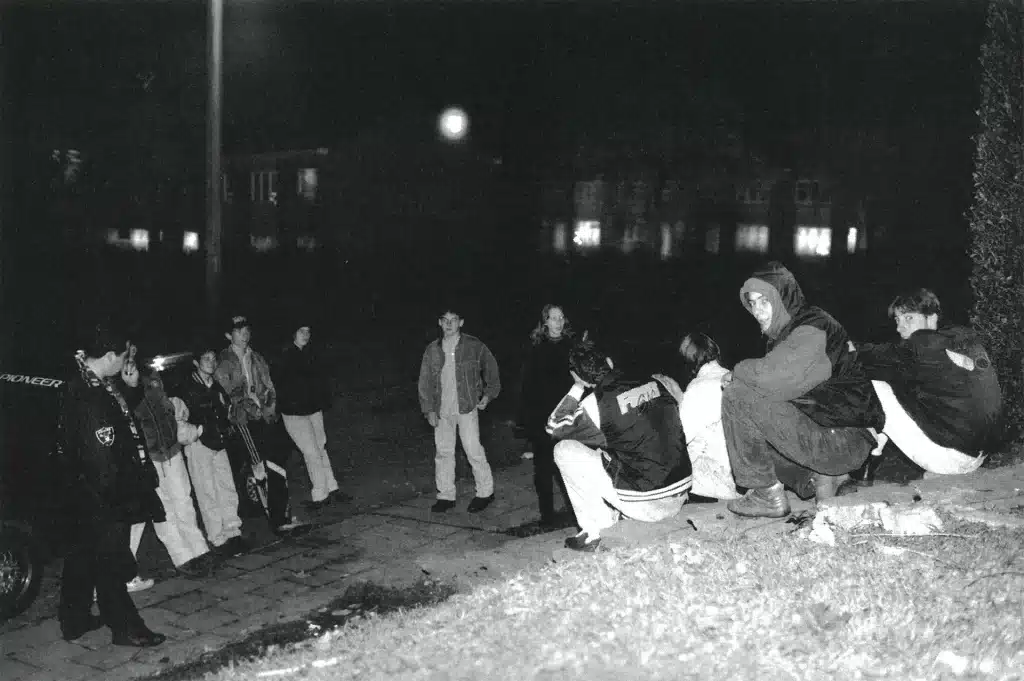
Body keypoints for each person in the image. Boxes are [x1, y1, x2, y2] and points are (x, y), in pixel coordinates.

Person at [723, 261, 884, 519]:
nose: (758, 311)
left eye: (765, 301)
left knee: (737, 396)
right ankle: (819, 478)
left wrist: (738, 371)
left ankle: (766, 494)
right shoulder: (788, 333)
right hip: (836, 432)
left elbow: (775, 379)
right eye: (752, 303)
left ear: (783, 298)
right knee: (750, 416)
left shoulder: (812, 329)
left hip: (845, 440)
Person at [57, 325, 166, 647]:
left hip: (81, 489)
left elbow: (116, 420)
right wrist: (116, 497)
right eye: (122, 356)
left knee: (82, 555)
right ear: (108, 356)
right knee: (110, 561)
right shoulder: (90, 394)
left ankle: (74, 619)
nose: (125, 362)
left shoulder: (87, 382)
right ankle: (126, 627)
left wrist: (130, 390)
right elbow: (101, 448)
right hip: (102, 493)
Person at [546, 339, 692, 552]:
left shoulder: (594, 405)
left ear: (579, 376)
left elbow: (554, 426)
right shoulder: (654, 381)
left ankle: (597, 531)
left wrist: (577, 386)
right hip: (680, 495)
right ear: (609, 362)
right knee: (627, 440)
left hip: (648, 506)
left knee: (564, 450)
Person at [854, 288, 1002, 475]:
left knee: (871, 386)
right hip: (977, 456)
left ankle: (862, 465)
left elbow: (871, 354)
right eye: (897, 320)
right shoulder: (960, 338)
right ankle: (870, 462)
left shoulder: (922, 344)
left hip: (950, 459)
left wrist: (842, 345)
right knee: (892, 389)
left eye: (909, 318)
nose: (900, 327)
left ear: (931, 318)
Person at [216, 315, 307, 537]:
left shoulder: (256, 357)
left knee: (277, 461)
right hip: (243, 421)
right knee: (258, 466)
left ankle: (283, 516)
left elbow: (269, 385)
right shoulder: (223, 361)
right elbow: (229, 393)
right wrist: (251, 407)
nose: (244, 334)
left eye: (246, 330)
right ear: (228, 335)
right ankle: (276, 520)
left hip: (263, 417)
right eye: (238, 331)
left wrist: (269, 407)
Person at [417, 307, 501, 513]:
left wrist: (488, 395)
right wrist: (429, 409)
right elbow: (424, 382)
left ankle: (485, 492)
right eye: (444, 320)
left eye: (453, 319)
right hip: (442, 410)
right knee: (443, 452)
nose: (449, 324)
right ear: (439, 323)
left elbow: (491, 368)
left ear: (461, 322)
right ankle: (445, 495)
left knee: (473, 449)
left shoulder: (473, 345)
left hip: (467, 407)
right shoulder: (432, 350)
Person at [131, 370, 213, 576]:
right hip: (150, 457)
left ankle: (199, 549)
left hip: (171, 451)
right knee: (163, 509)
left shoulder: (152, 376)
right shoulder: (126, 387)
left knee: (183, 501)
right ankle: (181, 556)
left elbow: (171, 409)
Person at [175, 342, 249, 557]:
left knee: (226, 486)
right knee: (206, 490)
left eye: (213, 359)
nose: (211, 362)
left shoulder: (216, 386)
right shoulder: (186, 388)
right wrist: (196, 432)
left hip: (219, 443)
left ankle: (233, 530)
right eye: (206, 359)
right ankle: (217, 537)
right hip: (199, 445)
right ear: (196, 362)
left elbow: (225, 411)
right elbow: (178, 419)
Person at [654, 331, 740, 501]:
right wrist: (680, 395)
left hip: (722, 481)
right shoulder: (732, 377)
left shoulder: (698, 388)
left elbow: (679, 439)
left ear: (687, 362)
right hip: (744, 476)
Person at [275, 320, 350, 511]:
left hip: (313, 408)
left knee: (320, 447)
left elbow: (321, 381)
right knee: (311, 451)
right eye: (301, 331)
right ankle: (320, 494)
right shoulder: (284, 355)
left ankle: (331, 488)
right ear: (293, 333)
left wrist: (321, 401)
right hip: (294, 413)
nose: (305, 335)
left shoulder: (311, 353)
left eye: (308, 331)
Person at [517, 304, 577, 527]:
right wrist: (527, 421)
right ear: (545, 322)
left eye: (561, 318)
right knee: (543, 468)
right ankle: (547, 516)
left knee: (569, 464)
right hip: (542, 416)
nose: (558, 322)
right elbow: (527, 386)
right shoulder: (535, 349)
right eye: (553, 318)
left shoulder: (572, 347)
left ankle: (576, 510)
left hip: (569, 415)